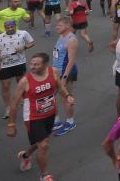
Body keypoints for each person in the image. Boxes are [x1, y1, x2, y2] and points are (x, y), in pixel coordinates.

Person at [7, 52, 75, 180]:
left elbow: (60, 87)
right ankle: (45, 175)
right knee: (43, 145)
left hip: (50, 114)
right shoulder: (25, 81)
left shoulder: (53, 72)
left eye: (36, 64)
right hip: (33, 117)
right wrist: (11, 124)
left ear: (45, 65)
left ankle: (25, 156)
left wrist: (67, 96)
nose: (32, 67)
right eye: (31, 64)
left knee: (41, 142)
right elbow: (14, 103)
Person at [0, 19, 35, 121]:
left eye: (12, 27)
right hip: (5, 65)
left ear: (15, 25)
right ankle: (8, 107)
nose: (10, 29)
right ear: (4, 27)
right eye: (7, 27)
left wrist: (24, 47)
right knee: (5, 86)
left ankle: (24, 100)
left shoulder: (23, 33)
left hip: (19, 63)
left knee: (21, 83)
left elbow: (32, 42)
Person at [51, 17, 78, 136]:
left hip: (65, 73)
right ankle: (56, 121)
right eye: (57, 25)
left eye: (59, 25)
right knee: (51, 97)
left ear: (67, 26)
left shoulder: (71, 40)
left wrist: (64, 78)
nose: (56, 27)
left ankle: (70, 122)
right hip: (56, 73)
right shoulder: (61, 35)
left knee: (67, 98)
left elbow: (71, 61)